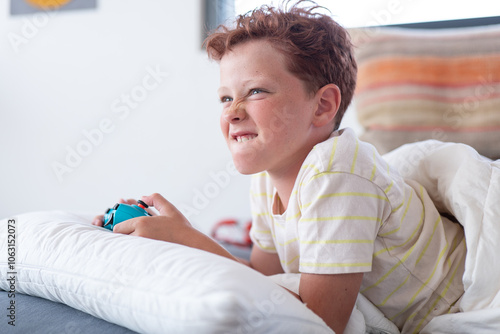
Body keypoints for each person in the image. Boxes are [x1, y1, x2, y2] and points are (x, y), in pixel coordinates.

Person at [93, 2, 466, 333]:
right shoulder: (268, 177)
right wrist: (175, 235)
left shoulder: (335, 171)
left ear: (322, 106)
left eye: (255, 91)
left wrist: (184, 238)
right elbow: (265, 282)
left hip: (454, 305)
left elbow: (318, 323)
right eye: (225, 97)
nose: (232, 111)